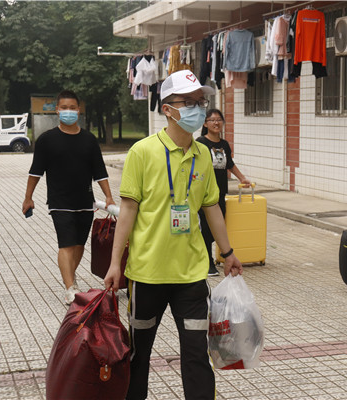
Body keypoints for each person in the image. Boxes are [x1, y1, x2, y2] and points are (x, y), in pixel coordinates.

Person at [104, 69, 243, 400]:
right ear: (167, 109)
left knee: (197, 357)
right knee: (138, 357)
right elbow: (128, 211)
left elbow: (212, 208)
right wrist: (114, 264)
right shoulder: (142, 152)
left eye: (200, 101)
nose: (198, 108)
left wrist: (227, 253)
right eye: (189, 102)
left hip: (191, 275)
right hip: (146, 274)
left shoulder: (203, 155)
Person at [21, 90, 115, 304]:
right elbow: (35, 171)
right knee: (66, 243)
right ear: (57, 110)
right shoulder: (47, 140)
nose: (68, 111)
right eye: (64, 108)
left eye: (72, 108)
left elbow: (100, 171)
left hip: (84, 201)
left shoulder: (89, 140)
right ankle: (70, 287)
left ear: (79, 110)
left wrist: (108, 196)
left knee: (79, 244)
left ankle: (70, 279)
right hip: (59, 202)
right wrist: (28, 198)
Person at [197, 108, 251, 276]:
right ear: (205, 123)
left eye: (219, 119)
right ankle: (207, 263)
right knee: (206, 228)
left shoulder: (224, 144)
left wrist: (242, 178)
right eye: (212, 120)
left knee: (218, 226)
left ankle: (213, 256)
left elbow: (230, 164)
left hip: (220, 192)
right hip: (204, 194)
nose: (216, 123)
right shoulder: (201, 143)